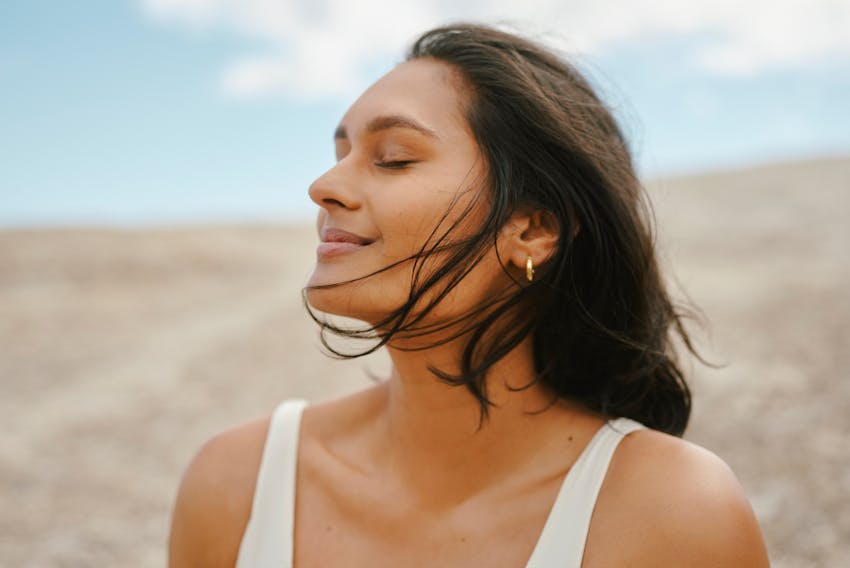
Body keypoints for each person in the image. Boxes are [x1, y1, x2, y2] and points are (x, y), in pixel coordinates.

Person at [168, 23, 770, 567]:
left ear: (533, 229)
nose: (324, 186)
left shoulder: (675, 512)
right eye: (340, 155)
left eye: (394, 159)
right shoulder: (237, 481)